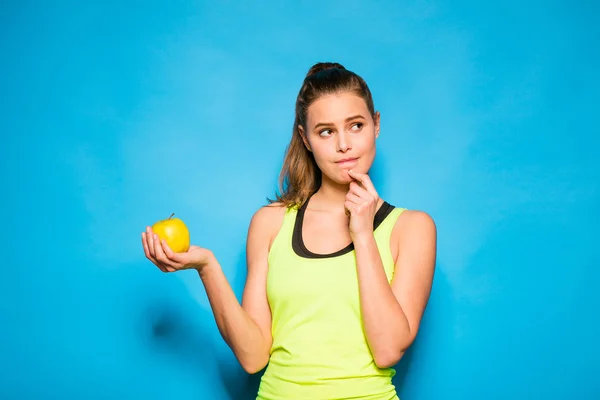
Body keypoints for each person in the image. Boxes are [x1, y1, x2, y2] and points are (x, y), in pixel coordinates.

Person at [141, 62, 437, 400]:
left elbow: (387, 350)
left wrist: (364, 234)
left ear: (376, 125)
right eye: (326, 131)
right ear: (305, 139)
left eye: (355, 125)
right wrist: (206, 267)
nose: (344, 144)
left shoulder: (411, 229)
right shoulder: (271, 223)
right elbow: (253, 358)